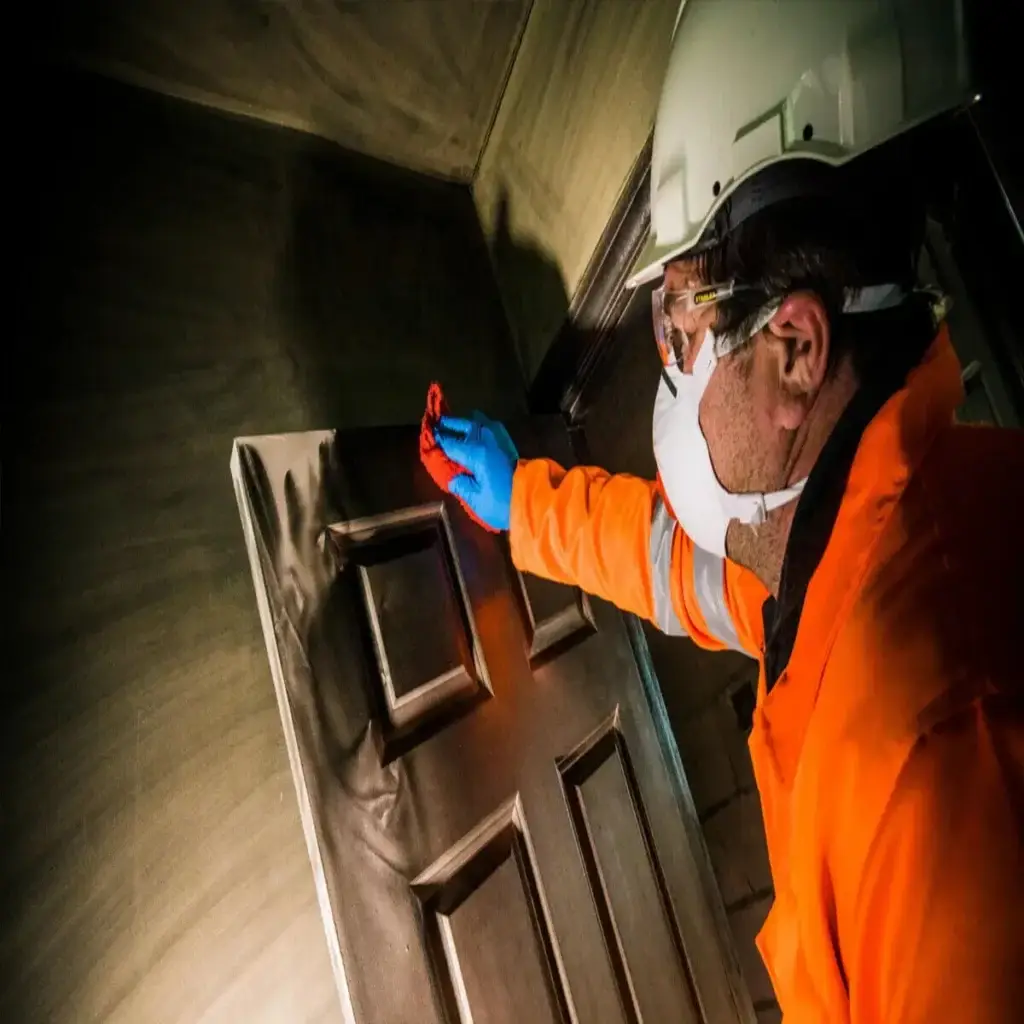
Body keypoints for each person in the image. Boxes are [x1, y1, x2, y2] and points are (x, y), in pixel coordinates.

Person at [435, 2, 1024, 1021]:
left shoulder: (944, 756)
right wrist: (524, 501)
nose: (666, 368)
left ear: (793, 350)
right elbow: (682, 566)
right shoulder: (851, 547)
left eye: (678, 324)